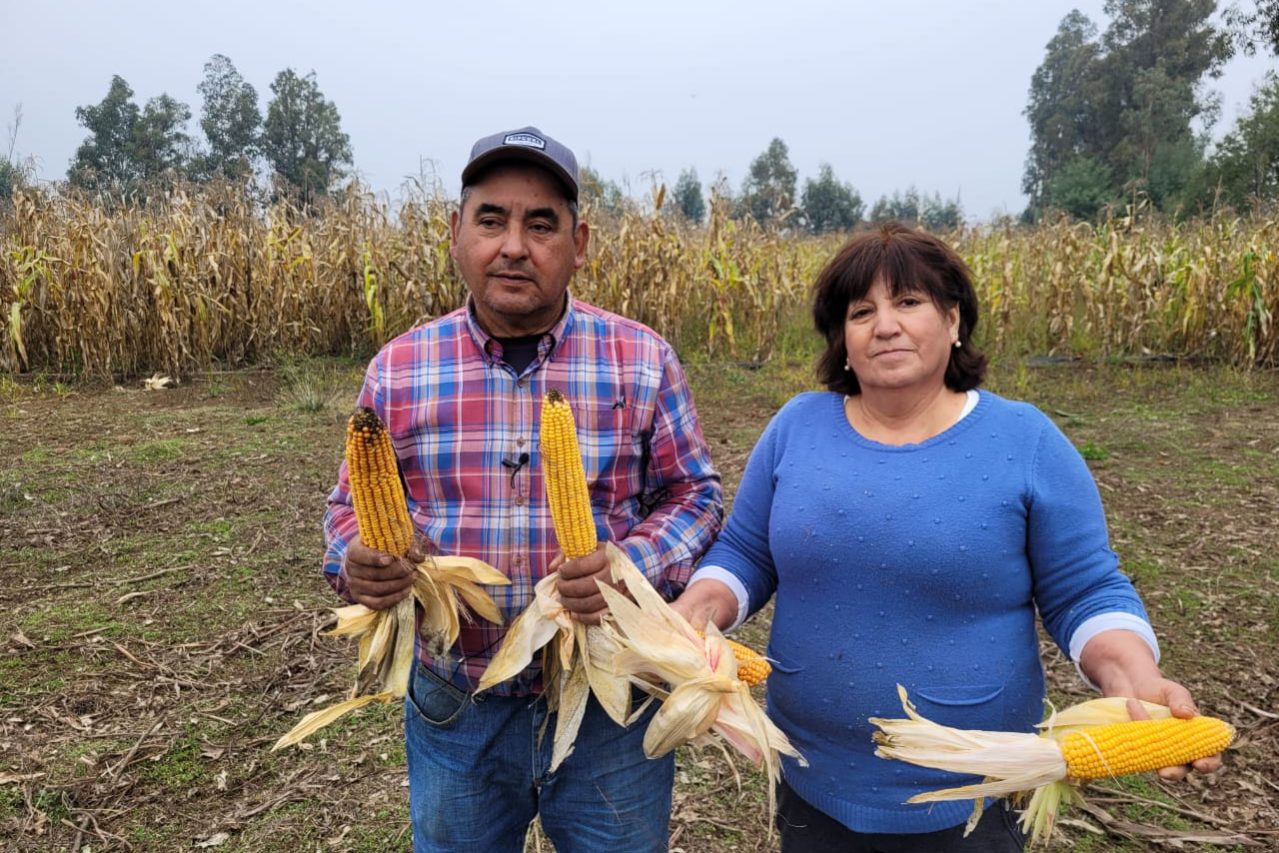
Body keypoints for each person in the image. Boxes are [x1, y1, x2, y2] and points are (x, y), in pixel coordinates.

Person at [671, 222, 1222, 851]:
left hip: (973, 794)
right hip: (810, 773)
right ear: (842, 338)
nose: (885, 326)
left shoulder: (1025, 441)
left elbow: (1084, 590)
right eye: (861, 312)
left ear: (953, 319)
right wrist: (698, 609)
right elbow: (746, 552)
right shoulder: (797, 427)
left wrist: (1133, 675)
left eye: (908, 302)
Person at [322, 126, 723, 852]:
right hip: (457, 701)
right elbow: (350, 507)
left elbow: (694, 494)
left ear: (579, 242)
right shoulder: (400, 368)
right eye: (491, 220)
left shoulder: (640, 359)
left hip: (611, 704)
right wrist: (356, 559)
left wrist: (629, 568)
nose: (513, 246)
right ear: (455, 233)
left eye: (540, 225)